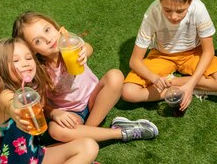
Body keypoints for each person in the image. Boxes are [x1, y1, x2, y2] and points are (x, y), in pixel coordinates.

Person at [13, 11, 158, 142]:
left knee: (116, 76)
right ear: (32, 51)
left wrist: (84, 52)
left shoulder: (68, 44)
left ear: (54, 26)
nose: (48, 39)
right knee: (55, 130)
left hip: (95, 98)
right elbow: (41, 105)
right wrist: (56, 113)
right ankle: (120, 132)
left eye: (47, 29)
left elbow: (88, 47)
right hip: (72, 113)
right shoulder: (38, 72)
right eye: (37, 41)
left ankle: (87, 133)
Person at [121, 0, 217, 113]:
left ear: (191, 0)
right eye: (167, 10)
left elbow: (208, 51)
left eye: (180, 11)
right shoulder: (152, 13)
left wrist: (190, 83)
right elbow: (134, 61)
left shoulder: (198, 9)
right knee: (128, 92)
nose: (173, 17)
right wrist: (155, 79)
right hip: (161, 55)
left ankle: (183, 86)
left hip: (194, 53)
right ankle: (198, 88)